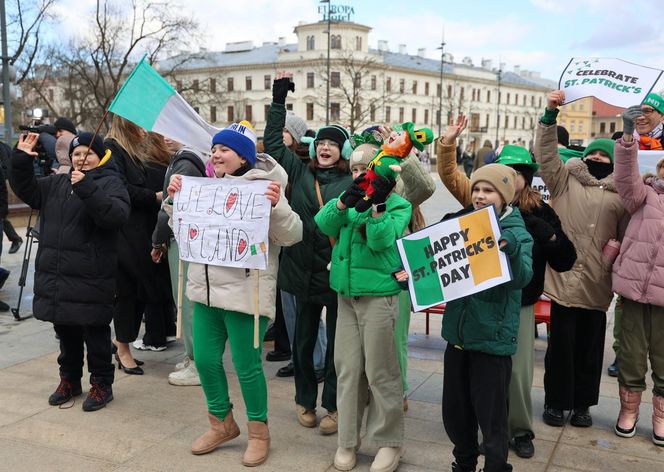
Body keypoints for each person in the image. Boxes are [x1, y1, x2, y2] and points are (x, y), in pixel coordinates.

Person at [437, 117, 576, 460]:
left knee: (511, 381)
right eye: (505, 170)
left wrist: (544, 237)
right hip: (468, 319)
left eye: (517, 172)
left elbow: (557, 259)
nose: (512, 176)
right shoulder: (471, 210)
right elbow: (452, 177)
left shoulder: (535, 214)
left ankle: (519, 433)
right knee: (465, 398)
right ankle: (470, 451)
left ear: (525, 180)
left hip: (516, 308)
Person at [166, 121, 302, 466]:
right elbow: (182, 231)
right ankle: (222, 423)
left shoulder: (266, 188)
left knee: (247, 367)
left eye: (223, 149)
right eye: (214, 149)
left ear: (242, 156)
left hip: (245, 297)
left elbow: (293, 235)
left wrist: (278, 208)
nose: (215, 154)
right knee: (207, 362)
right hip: (205, 293)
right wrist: (174, 201)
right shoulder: (205, 186)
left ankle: (259, 432)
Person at [10, 131, 129, 411]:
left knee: (95, 333)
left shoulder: (111, 182)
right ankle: (69, 380)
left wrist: (88, 188)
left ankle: (101, 384)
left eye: (88, 153)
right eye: (76, 154)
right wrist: (20, 160)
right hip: (59, 276)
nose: (81, 158)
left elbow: (115, 216)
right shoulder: (58, 182)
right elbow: (28, 189)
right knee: (65, 332)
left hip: (92, 277)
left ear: (101, 157)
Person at [264, 71, 352, 435]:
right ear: (314, 148)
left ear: (342, 151)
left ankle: (332, 406)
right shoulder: (299, 172)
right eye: (322, 144)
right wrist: (278, 101)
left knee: (337, 346)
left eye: (333, 144)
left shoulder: (352, 182)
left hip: (335, 274)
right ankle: (304, 400)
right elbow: (272, 144)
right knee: (301, 342)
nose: (326, 148)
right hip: (300, 270)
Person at [536, 90, 630, 428]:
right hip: (563, 278)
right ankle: (555, 402)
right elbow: (545, 157)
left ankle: (582, 405)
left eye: (604, 158)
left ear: (614, 164)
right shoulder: (565, 181)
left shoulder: (623, 195)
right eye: (593, 156)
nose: (597, 161)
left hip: (597, 282)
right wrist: (549, 117)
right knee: (559, 348)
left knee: (590, 351)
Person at [434, 164, 533, 472]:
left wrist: (512, 249)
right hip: (459, 338)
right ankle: (463, 463)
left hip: (492, 344)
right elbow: (436, 265)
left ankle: (495, 466)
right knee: (456, 412)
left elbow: (523, 277)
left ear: (505, 196)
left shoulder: (516, 231)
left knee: (492, 420)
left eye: (488, 191)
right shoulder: (460, 225)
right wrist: (411, 278)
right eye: (476, 189)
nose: (479, 196)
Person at [315, 164, 411, 472]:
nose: (360, 175)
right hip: (346, 295)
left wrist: (376, 206)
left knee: (381, 371)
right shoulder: (351, 198)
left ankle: (389, 442)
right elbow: (324, 223)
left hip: (379, 296)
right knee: (348, 370)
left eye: (367, 170)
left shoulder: (399, 204)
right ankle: (347, 439)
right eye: (356, 169)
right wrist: (344, 201)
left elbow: (381, 241)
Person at [610, 106, 664, 446]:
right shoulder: (644, 195)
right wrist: (628, 136)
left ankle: (660, 417)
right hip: (632, 288)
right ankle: (628, 411)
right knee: (629, 353)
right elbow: (625, 179)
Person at [105, 114, 158, 374]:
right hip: (124, 232)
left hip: (138, 231)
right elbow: (122, 189)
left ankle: (122, 343)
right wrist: (155, 197)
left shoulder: (129, 150)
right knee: (127, 291)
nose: (144, 130)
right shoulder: (112, 148)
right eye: (140, 124)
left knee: (139, 291)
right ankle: (122, 348)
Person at [152, 137, 207, 386]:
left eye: (171, 131)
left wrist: (156, 241)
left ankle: (197, 363)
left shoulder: (185, 162)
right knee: (184, 300)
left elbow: (170, 207)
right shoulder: (182, 159)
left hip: (183, 239)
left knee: (187, 301)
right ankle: (192, 356)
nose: (164, 137)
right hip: (182, 238)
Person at [133, 132, 177, 352]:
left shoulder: (146, 168)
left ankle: (155, 336)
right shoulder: (166, 166)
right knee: (161, 284)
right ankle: (168, 329)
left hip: (150, 233)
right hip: (163, 232)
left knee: (150, 287)